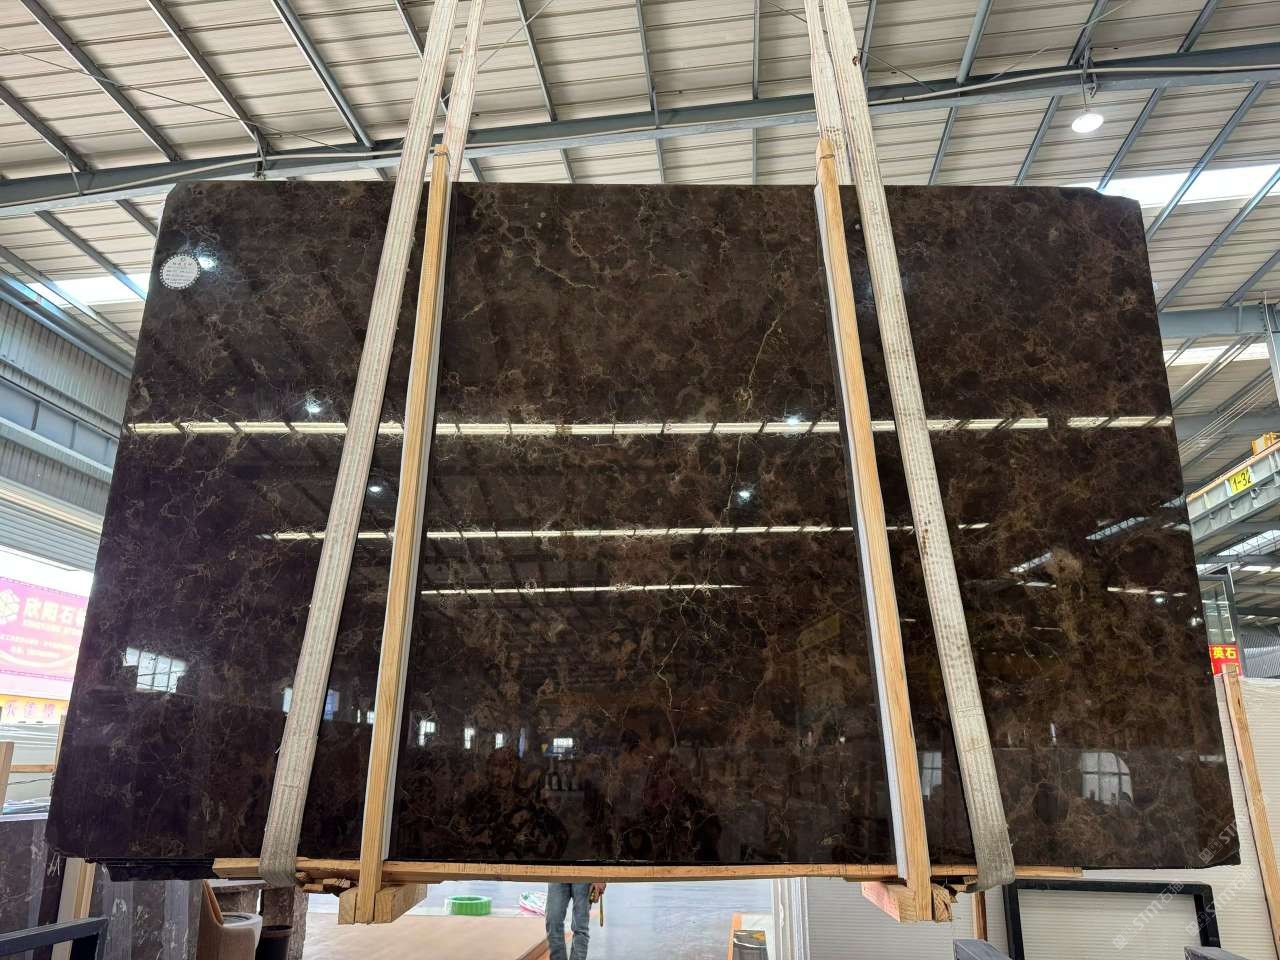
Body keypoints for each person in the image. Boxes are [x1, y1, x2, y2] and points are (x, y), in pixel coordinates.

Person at [545, 882, 604, 960]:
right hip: (558, 876)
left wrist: (600, 879)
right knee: (553, 922)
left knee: (580, 927)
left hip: (584, 877)